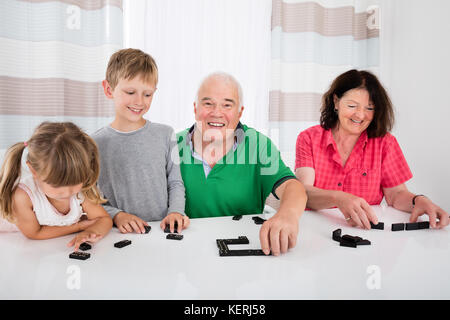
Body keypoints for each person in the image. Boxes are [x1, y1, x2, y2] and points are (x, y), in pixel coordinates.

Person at [295, 69, 449, 229]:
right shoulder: (309, 138)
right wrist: (337, 198)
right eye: (352, 106)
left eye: (369, 108)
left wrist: (419, 200)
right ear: (336, 102)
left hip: (365, 232)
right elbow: (303, 193)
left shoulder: (385, 143)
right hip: (316, 228)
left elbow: (395, 195)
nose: (360, 115)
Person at [177, 72, 307, 256]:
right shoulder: (172, 146)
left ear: (240, 112)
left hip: (242, 250)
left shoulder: (258, 144)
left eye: (227, 105)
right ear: (195, 108)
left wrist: (287, 215)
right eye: (208, 103)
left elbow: (291, 187)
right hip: (185, 251)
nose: (216, 112)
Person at [93, 48, 189, 234]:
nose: (139, 101)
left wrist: (176, 212)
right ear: (108, 89)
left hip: (161, 231)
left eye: (147, 94)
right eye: (130, 92)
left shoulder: (166, 134)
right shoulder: (94, 144)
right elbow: (91, 198)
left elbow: (176, 182)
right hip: (117, 234)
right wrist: (117, 215)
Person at [0, 122, 113, 251]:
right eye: (57, 185)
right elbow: (34, 233)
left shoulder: (81, 191)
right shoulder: (22, 196)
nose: (67, 192)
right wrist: (79, 227)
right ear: (33, 171)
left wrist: (92, 231)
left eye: (75, 182)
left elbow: (103, 219)